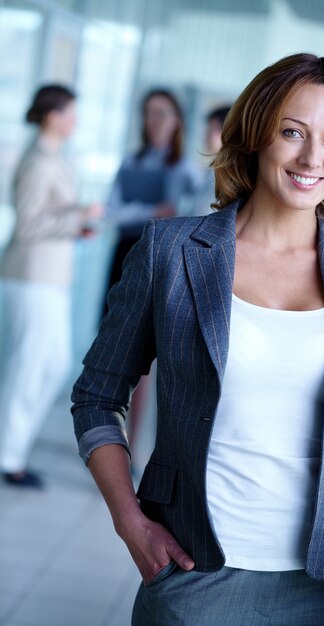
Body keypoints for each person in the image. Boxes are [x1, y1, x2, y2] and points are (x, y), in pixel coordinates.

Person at [71, 53, 324, 625]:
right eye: (292, 132)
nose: (311, 157)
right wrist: (129, 522)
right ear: (255, 134)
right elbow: (97, 397)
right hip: (195, 574)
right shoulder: (170, 252)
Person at [0, 84, 102, 488]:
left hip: (48, 279)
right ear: (52, 115)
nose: (75, 121)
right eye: (70, 112)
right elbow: (28, 226)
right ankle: (8, 457)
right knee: (27, 369)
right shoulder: (38, 161)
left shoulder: (53, 158)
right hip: (30, 278)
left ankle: (12, 449)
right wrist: (78, 218)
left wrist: (76, 224)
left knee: (52, 364)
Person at [102, 89, 204, 459]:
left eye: (163, 113)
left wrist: (146, 211)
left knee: (154, 356)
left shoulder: (186, 169)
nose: (156, 121)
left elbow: (185, 211)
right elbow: (113, 211)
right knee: (121, 349)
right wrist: (152, 210)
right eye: (149, 113)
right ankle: (114, 441)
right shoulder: (132, 161)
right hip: (125, 254)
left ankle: (140, 448)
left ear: (177, 120)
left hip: (162, 259)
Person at [193, 105, 231, 216]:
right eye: (208, 129)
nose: (207, 134)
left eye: (213, 129)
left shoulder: (227, 178)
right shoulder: (210, 172)